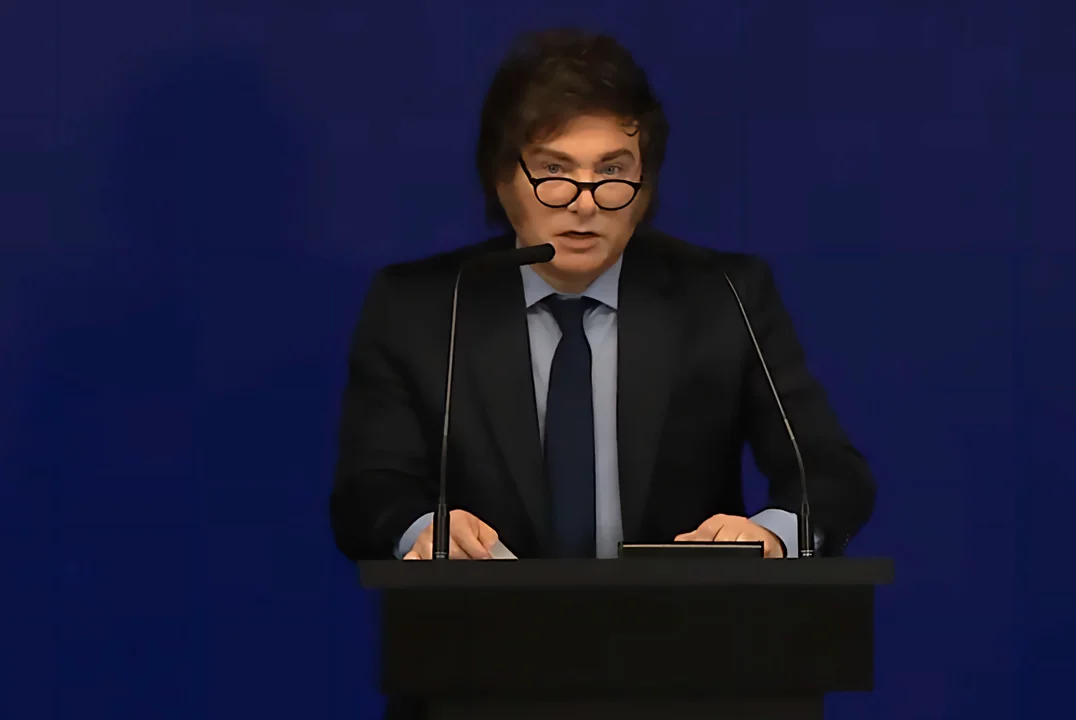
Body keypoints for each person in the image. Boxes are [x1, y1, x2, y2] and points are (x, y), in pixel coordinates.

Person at [330, 28, 875, 565]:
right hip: (479, 619)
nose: (585, 204)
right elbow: (368, 490)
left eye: (612, 171)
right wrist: (425, 531)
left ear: (645, 186)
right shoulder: (423, 307)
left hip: (683, 619)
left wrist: (773, 536)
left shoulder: (725, 295)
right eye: (554, 170)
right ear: (501, 179)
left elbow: (830, 470)